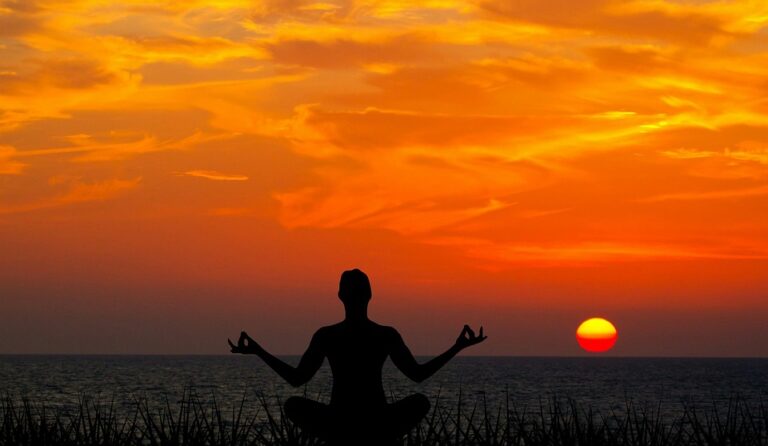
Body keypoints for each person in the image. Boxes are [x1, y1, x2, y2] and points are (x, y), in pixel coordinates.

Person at [229, 269, 486, 445]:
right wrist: (456, 348)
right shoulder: (384, 334)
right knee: (420, 401)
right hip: (377, 421)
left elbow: (297, 379)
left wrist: (258, 351)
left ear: (341, 296)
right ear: (369, 296)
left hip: (339, 421)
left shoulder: (328, 335)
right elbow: (418, 375)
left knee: (293, 405)